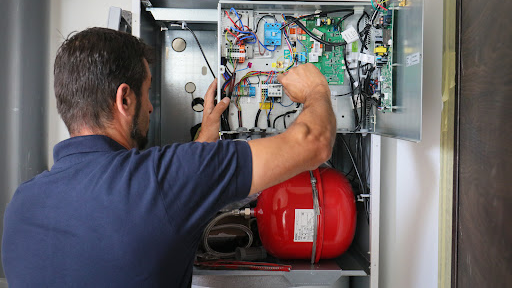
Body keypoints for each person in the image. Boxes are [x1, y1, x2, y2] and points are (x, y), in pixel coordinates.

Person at [1, 27, 336, 287]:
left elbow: (181, 187)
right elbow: (314, 143)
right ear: (125, 99)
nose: (150, 106)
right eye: (147, 93)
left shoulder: (21, 204)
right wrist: (316, 90)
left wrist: (208, 130)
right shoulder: (158, 180)